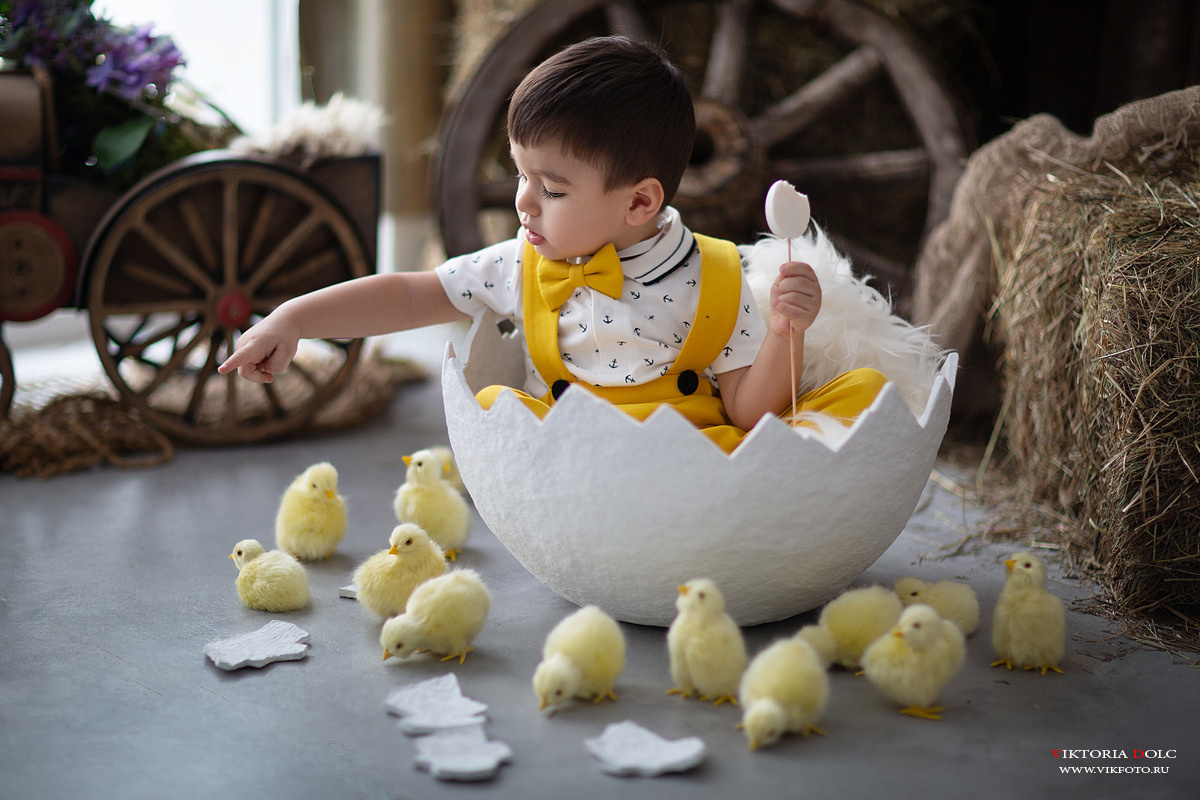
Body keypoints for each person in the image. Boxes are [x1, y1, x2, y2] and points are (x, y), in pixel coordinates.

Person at [218, 36, 885, 453]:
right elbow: (410, 294)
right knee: (493, 409)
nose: (523, 203)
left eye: (552, 188)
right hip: (568, 460)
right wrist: (294, 318)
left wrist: (786, 335)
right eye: (520, 175)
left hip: (683, 462)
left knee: (859, 397)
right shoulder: (521, 260)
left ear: (640, 202)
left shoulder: (718, 276)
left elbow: (747, 411)